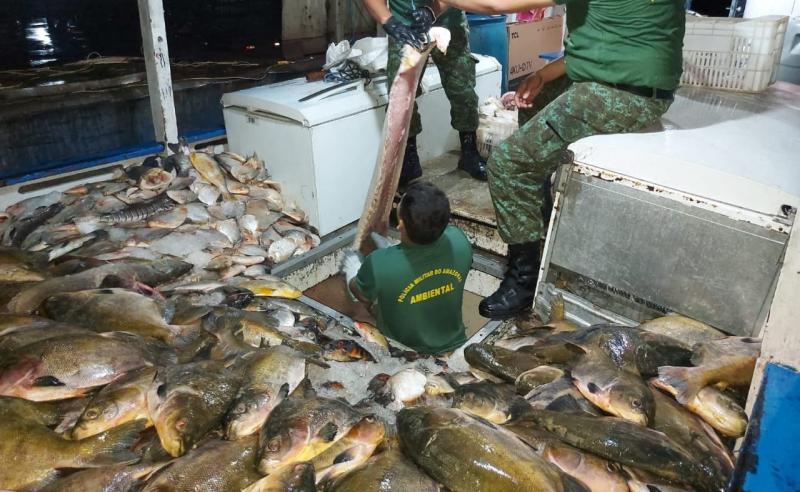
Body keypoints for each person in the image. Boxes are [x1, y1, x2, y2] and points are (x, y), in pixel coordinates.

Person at [429, 0, 684, 319]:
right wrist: (543, 74)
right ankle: (538, 210)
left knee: (508, 163)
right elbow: (602, 39)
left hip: (628, 92)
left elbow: (495, 4)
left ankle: (525, 278)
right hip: (626, 76)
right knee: (534, 106)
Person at [362, 0, 487, 186]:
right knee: (401, 97)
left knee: (462, 89)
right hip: (405, 27)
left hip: (449, 23)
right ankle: (409, 159)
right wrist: (388, 21)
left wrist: (432, 11)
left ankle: (469, 151)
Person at [342, 182, 472, 355]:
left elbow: (362, 295)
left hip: (405, 351)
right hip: (455, 344)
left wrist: (353, 271)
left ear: (400, 225)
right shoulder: (459, 240)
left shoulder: (379, 263)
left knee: (364, 307)